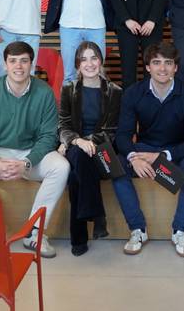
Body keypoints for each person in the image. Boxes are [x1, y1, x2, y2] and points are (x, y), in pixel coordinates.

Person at [0, 41, 69, 258]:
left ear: (31, 64)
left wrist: (27, 162)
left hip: (30, 156)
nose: (19, 66)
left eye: (24, 61)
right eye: (13, 61)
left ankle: (34, 232)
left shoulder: (44, 92)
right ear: (5, 64)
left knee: (61, 166)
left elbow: (48, 137)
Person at [113, 41, 184, 258]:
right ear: (147, 67)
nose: (162, 68)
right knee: (115, 164)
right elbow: (122, 135)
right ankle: (137, 229)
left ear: (175, 67)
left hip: (175, 153)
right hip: (144, 150)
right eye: (156, 62)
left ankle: (179, 230)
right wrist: (134, 157)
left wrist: (162, 157)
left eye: (168, 63)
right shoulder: (133, 93)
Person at [57, 41, 123, 256]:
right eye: (83, 59)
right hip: (77, 147)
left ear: (101, 61)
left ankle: (79, 237)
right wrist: (76, 141)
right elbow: (63, 125)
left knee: (78, 171)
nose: (89, 63)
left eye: (93, 57)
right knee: (79, 162)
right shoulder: (68, 89)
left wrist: (88, 142)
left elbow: (111, 130)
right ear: (77, 65)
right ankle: (98, 217)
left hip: (102, 149)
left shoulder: (114, 91)